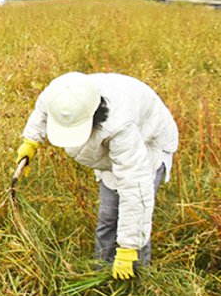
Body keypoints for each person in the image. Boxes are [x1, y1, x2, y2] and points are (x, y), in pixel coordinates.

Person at [16, 72, 178, 280]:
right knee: (109, 216)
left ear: (93, 117)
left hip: (148, 142)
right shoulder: (60, 94)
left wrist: (128, 247)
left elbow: (136, 187)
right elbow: (42, 110)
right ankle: (102, 275)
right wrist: (30, 141)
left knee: (132, 215)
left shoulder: (119, 127)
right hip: (117, 149)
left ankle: (138, 280)